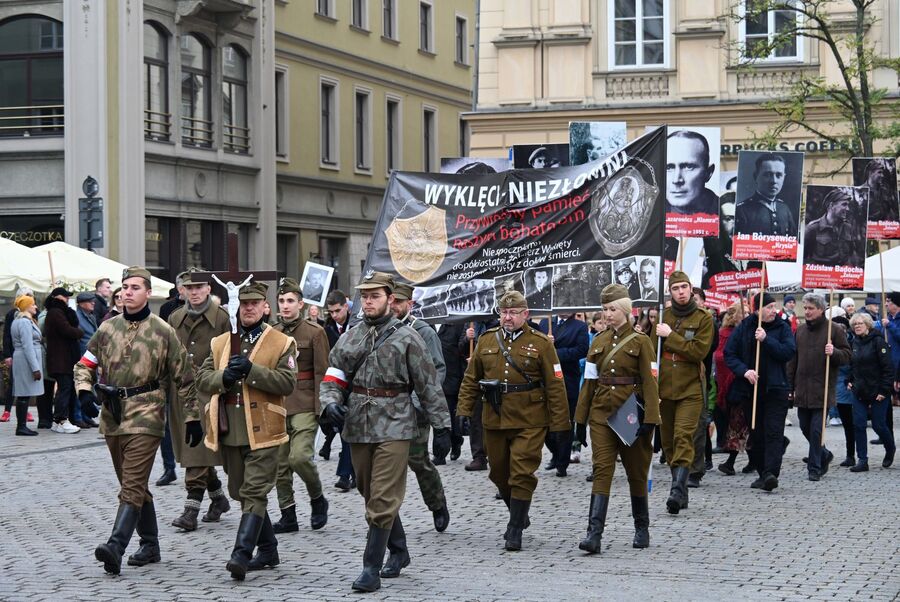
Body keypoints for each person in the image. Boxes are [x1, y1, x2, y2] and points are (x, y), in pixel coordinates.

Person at [317, 272, 450, 592]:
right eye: (364, 296)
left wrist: (442, 426)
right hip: (358, 424)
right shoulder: (352, 337)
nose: (368, 301)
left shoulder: (409, 338)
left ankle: (370, 567)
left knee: (383, 496)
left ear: (390, 299)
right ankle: (400, 550)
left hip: (396, 423)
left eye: (375, 296)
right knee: (367, 489)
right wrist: (329, 403)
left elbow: (429, 383)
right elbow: (334, 376)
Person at [73, 266, 203, 575]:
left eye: (134, 287)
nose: (126, 292)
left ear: (148, 293)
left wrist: (193, 417)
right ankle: (150, 544)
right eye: (124, 287)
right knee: (134, 484)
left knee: (131, 484)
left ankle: (116, 546)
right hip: (113, 415)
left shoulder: (162, 331)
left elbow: (185, 378)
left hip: (148, 413)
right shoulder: (107, 330)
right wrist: (82, 390)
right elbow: (85, 364)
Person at [195, 280, 297, 580]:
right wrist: (224, 376)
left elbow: (287, 383)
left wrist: (253, 372)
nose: (249, 309)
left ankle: (241, 554)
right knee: (240, 491)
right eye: (244, 304)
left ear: (265, 307)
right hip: (230, 428)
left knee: (254, 491)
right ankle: (268, 550)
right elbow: (201, 378)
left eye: (255, 304)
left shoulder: (280, 341)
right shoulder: (221, 342)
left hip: (265, 428)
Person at [456, 291, 569, 552]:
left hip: (530, 418)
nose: (508, 317)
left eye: (514, 312)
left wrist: (561, 425)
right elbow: (471, 380)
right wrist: (462, 411)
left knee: (521, 472)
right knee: (498, 472)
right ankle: (519, 510)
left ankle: (515, 527)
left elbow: (555, 384)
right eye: (504, 312)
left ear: (525, 314)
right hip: (494, 418)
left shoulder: (541, 343)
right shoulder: (485, 341)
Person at [573, 284, 660, 552]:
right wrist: (580, 420)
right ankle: (594, 534)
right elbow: (588, 382)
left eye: (612, 309)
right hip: (601, 412)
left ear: (626, 310)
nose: (608, 314)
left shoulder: (641, 341)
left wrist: (651, 420)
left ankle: (641, 527)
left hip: (631, 412)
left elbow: (649, 380)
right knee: (602, 469)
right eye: (604, 309)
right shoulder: (597, 341)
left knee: (636, 470)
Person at [166, 269, 232, 532]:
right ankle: (218, 498)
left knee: (197, 450)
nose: (194, 292)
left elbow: (229, 355)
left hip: (209, 393)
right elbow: (167, 354)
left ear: (208, 289)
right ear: (182, 290)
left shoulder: (222, 319)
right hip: (180, 393)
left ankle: (190, 509)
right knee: (191, 450)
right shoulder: (174, 317)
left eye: (199, 287)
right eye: (189, 288)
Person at [389, 283, 451, 532]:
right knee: (387, 464)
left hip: (414, 409)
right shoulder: (381, 330)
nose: (394, 307)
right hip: (386, 410)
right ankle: (388, 518)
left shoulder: (423, 332)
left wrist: (416, 404)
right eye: (391, 301)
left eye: (399, 302)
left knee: (417, 460)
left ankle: (437, 503)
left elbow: (437, 370)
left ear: (409, 304)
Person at [270, 278, 330, 534]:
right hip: (277, 403)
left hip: (305, 402)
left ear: (301, 304)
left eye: (290, 301)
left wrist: (323, 407)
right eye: (282, 301)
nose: (285, 306)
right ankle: (288, 514)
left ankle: (317, 499)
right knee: (280, 465)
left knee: (300, 457)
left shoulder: (314, 332)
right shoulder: (270, 332)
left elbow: (322, 372)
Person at [655, 271, 714, 513]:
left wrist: (671, 336)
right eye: (676, 288)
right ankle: (682, 491)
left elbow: (698, 351)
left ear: (691, 289)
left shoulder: (703, 318)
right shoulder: (663, 316)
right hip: (665, 388)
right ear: (670, 291)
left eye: (684, 287)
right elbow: (652, 353)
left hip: (690, 387)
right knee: (668, 442)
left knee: (683, 436)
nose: (680, 292)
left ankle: (677, 490)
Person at [724, 292, 796, 492]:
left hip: (776, 389)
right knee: (756, 433)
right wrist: (744, 371)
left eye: (774, 307)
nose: (774, 311)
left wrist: (766, 340)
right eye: (769, 307)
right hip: (750, 391)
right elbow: (730, 354)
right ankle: (764, 473)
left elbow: (788, 352)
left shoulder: (782, 327)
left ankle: (771, 473)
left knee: (773, 432)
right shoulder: (745, 326)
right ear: (757, 310)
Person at [786, 293, 851, 481]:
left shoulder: (834, 330)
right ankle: (824, 453)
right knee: (805, 427)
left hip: (823, 388)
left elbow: (847, 355)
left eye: (810, 308)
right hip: (802, 388)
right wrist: (790, 386)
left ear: (821, 310)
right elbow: (793, 361)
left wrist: (835, 352)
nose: (806, 311)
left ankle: (814, 467)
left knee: (816, 430)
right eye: (805, 308)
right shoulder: (800, 331)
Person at [846, 313, 896, 471]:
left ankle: (890, 448)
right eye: (855, 324)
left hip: (878, 390)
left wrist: (884, 390)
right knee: (859, 424)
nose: (857, 326)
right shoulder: (854, 343)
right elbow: (853, 365)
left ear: (868, 325)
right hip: (859, 390)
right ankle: (862, 460)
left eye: (860, 323)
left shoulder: (878, 342)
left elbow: (888, 369)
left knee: (878, 425)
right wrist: (849, 380)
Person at [544, 313, 589, 477]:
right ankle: (556, 454)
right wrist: (546, 346)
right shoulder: (545, 322)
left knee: (565, 423)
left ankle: (562, 463)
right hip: (545, 380)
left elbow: (582, 350)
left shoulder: (579, 326)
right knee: (544, 425)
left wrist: (555, 352)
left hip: (567, 379)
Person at [323, 289, 356, 490]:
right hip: (336, 385)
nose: (335, 315)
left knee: (351, 431)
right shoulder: (328, 329)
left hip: (355, 385)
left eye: (337, 310)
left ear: (346, 306)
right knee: (344, 430)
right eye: (331, 312)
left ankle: (350, 474)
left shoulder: (358, 324)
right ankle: (347, 474)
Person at [715, 302, 750, 476]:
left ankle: (732, 462)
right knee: (738, 423)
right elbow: (721, 357)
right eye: (743, 313)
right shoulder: (725, 334)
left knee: (742, 424)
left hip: (746, 384)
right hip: (732, 385)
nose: (747, 315)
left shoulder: (750, 332)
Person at [42, 288, 83, 434]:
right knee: (64, 389)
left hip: (63, 358)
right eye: (64, 295)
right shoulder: (56, 312)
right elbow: (67, 330)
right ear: (55, 297)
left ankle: (58, 421)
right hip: (61, 358)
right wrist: (79, 332)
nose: (66, 298)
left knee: (65, 388)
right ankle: (61, 420)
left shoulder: (58, 312)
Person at [735, 153, 797, 238]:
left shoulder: (784, 209)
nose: (774, 181)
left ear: (784, 177)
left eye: (779, 175)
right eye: (768, 175)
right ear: (756, 176)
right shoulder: (742, 211)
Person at [803, 188, 863, 268]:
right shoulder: (812, 228)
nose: (848, 209)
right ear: (831, 205)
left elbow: (851, 254)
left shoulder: (848, 228)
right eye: (844, 204)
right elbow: (803, 258)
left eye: (848, 205)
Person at [10, 295, 43, 436]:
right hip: (25, 359)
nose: (35, 307)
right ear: (26, 306)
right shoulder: (24, 322)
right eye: (33, 304)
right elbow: (27, 346)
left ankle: (21, 425)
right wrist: (35, 368)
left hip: (23, 358)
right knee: (24, 393)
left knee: (24, 392)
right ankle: (21, 426)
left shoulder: (20, 321)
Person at [665, 130, 718, 216]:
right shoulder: (649, 214)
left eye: (688, 167)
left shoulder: (725, 214)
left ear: (708, 173)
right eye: (668, 168)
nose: (676, 180)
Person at [861, 157, 899, 223]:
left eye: (882, 173)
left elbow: (891, 212)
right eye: (879, 172)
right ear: (871, 172)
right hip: (869, 230)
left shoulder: (885, 191)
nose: (882, 175)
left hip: (884, 229)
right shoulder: (861, 190)